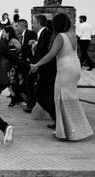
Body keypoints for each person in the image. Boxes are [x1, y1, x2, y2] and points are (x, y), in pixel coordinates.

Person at [31, 13, 93, 141]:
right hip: (75, 66)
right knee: (71, 98)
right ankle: (76, 129)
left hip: (65, 68)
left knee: (60, 98)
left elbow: (51, 55)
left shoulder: (60, 36)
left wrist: (36, 64)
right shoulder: (71, 33)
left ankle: (65, 132)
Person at [30, 14, 57, 125]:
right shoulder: (42, 34)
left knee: (40, 95)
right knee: (47, 95)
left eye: (33, 22)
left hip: (48, 71)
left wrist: (37, 66)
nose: (32, 24)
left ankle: (57, 117)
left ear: (39, 23)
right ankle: (57, 120)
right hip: (43, 70)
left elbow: (49, 55)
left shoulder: (47, 34)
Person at [14, 18, 37, 113]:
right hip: (25, 63)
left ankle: (31, 104)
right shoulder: (23, 36)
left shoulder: (30, 34)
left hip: (30, 63)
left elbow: (32, 50)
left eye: (17, 26)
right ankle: (28, 102)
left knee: (29, 83)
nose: (16, 29)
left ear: (23, 26)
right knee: (26, 82)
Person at [2, 25, 25, 107]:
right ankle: (15, 97)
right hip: (8, 63)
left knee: (13, 81)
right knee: (10, 81)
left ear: (8, 33)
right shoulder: (5, 40)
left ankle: (15, 99)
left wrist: (12, 55)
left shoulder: (13, 40)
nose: (3, 33)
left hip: (14, 64)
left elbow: (21, 49)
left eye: (4, 32)